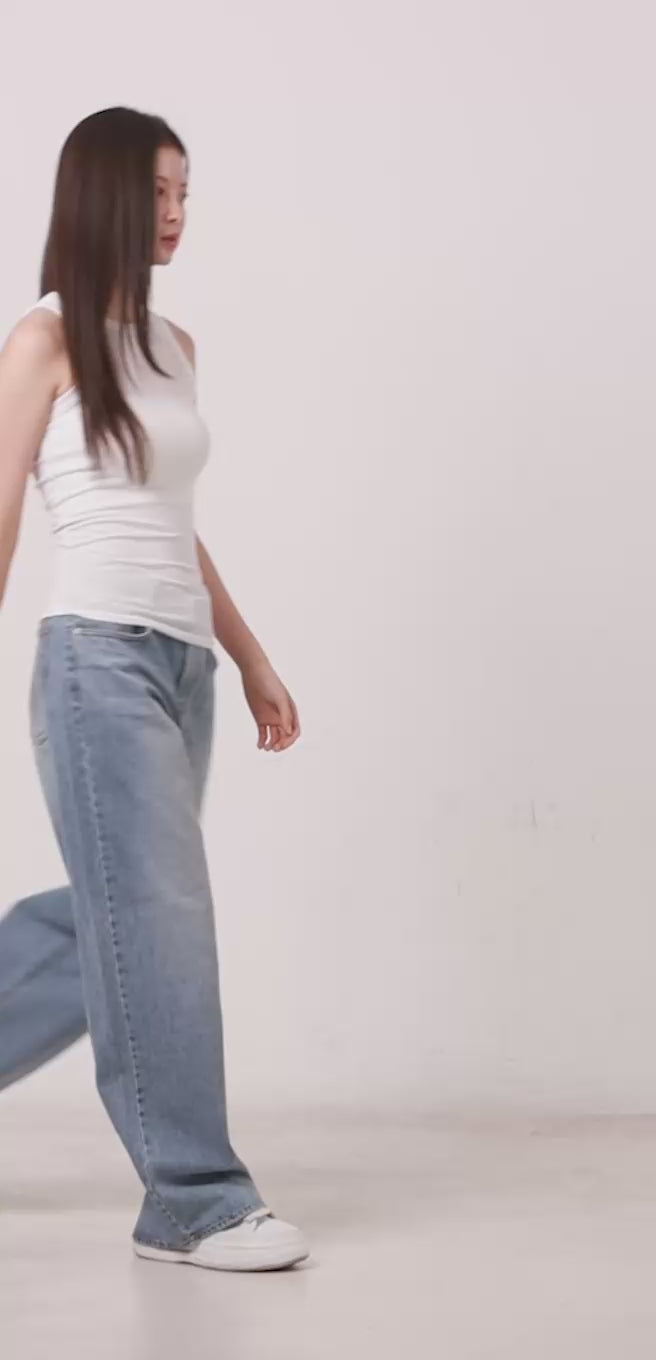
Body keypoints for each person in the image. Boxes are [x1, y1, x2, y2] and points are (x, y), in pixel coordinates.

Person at [0, 107, 309, 1272]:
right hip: (95, 660)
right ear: (106, 197)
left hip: (182, 667)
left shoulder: (174, 345)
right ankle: (194, 1199)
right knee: (158, 921)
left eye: (186, 193)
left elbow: (174, 523)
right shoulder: (44, 337)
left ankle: (191, 1194)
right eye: (159, 192)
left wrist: (249, 654)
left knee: (112, 917)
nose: (176, 214)